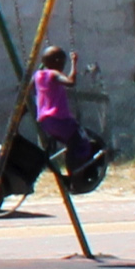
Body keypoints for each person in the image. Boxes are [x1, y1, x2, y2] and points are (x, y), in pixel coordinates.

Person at [33, 46, 93, 174]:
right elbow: (71, 82)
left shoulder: (37, 75)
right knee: (81, 140)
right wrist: (74, 63)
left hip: (45, 122)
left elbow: (28, 90)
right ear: (58, 62)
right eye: (63, 62)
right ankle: (78, 171)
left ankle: (72, 168)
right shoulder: (54, 74)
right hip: (60, 120)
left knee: (71, 142)